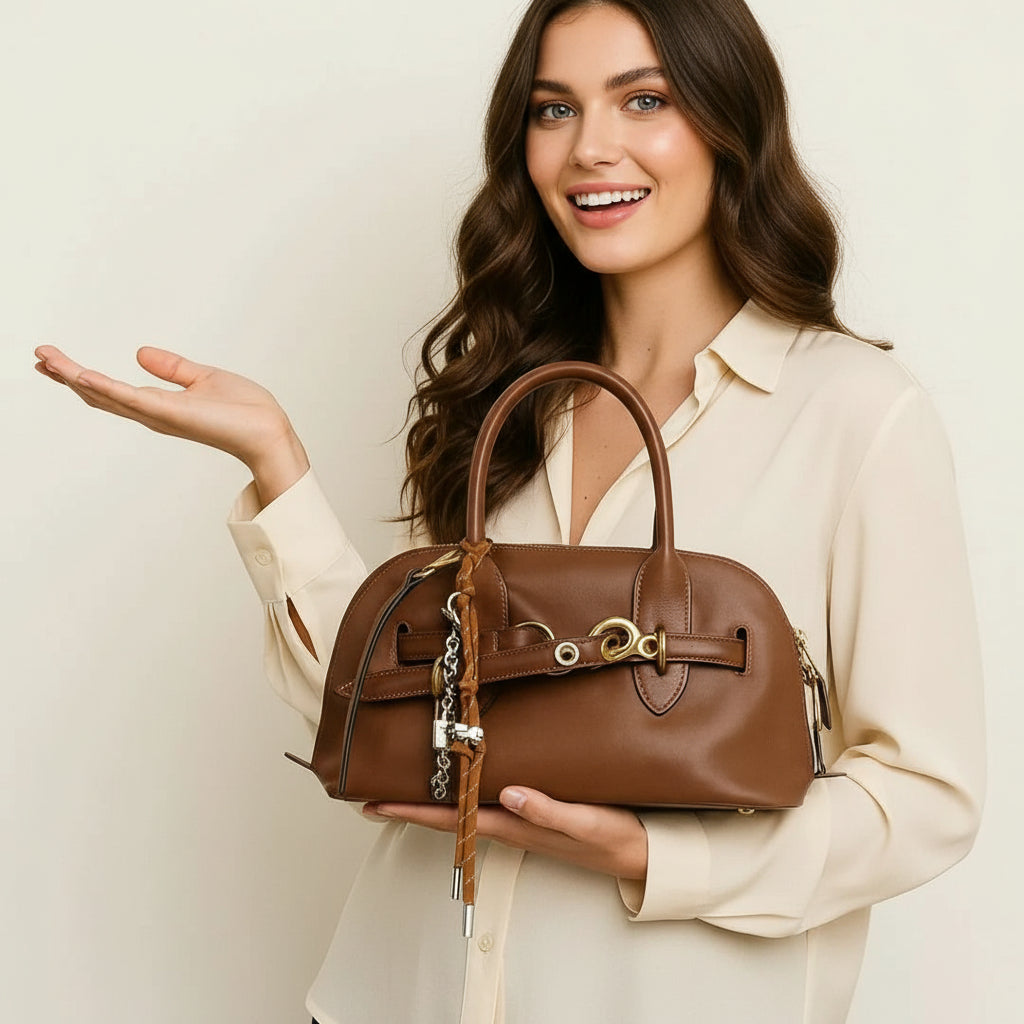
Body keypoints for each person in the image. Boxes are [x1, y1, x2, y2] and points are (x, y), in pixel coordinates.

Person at [33, 0, 985, 1021]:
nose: (590, 149)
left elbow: (925, 796)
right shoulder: (505, 408)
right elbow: (388, 718)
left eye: (644, 100)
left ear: (728, 124)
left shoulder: (853, 415)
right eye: (552, 109)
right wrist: (278, 465)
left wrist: (659, 853)